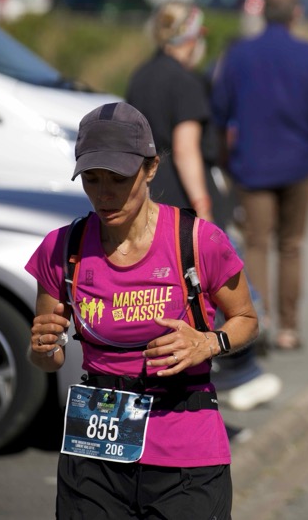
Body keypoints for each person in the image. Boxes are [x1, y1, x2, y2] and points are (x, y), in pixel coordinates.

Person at [26, 102, 259, 518]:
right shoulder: (62, 248)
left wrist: (210, 343)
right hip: (95, 448)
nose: (104, 194)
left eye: (118, 179)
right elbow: (48, 357)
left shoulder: (198, 241)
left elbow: (246, 320)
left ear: (150, 169)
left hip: (185, 449)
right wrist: (43, 349)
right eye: (92, 179)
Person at [126, 2, 282, 412]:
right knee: (224, 288)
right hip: (185, 204)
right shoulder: (185, 81)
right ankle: (239, 373)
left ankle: (201, 377)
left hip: (149, 199)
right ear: (191, 37)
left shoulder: (140, 77)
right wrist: (204, 208)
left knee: (169, 294)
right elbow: (186, 149)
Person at [212, 0, 308, 352]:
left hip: (252, 163)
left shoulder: (239, 54)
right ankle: (289, 329)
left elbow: (220, 109)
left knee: (257, 244)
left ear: (263, 12)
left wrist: (225, 155)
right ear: (296, 12)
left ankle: (257, 323)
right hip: (297, 163)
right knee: (291, 245)